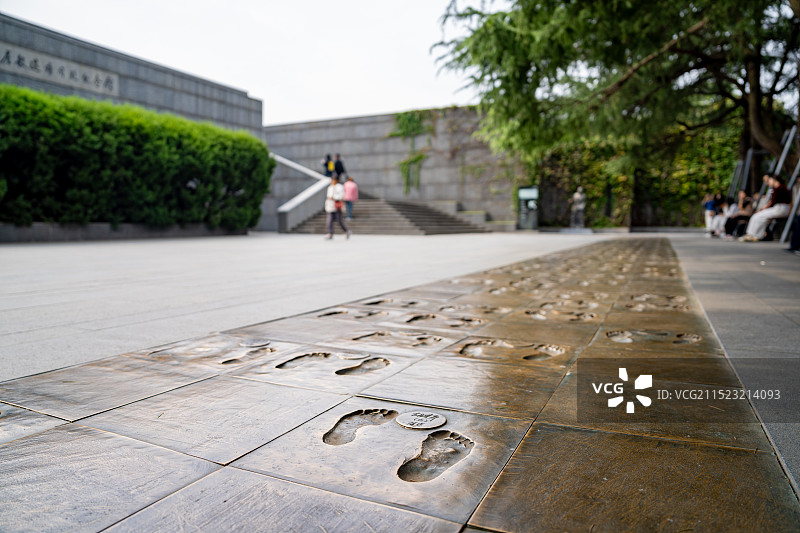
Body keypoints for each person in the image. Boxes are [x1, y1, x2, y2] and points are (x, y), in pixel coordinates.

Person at [739, 174, 792, 242]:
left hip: (780, 208)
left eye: (769, 180)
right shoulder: (779, 188)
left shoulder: (779, 188)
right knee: (758, 216)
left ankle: (754, 235)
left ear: (774, 179)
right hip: (780, 208)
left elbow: (772, 202)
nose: (768, 182)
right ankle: (752, 234)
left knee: (758, 216)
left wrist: (763, 209)